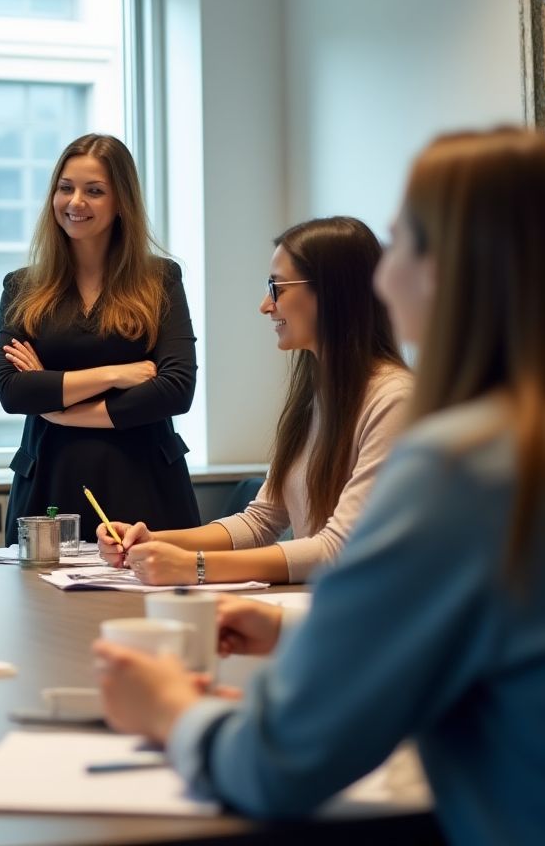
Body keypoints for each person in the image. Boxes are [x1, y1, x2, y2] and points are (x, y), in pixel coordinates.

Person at [94, 127, 545, 845]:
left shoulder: (462, 465)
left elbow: (276, 762)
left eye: (401, 243)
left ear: (451, 270)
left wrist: (167, 712)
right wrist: (286, 622)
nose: (384, 274)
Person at [98, 216, 411, 585]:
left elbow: (339, 547)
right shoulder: (316, 397)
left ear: (331, 292)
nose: (266, 305)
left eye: (276, 288)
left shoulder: (395, 400)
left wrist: (194, 566)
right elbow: (261, 520)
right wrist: (153, 541)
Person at [0, 133, 201, 546]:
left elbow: (176, 389)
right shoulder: (22, 287)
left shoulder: (160, 279)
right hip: (49, 481)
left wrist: (58, 406)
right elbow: (14, 391)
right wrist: (116, 373)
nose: (75, 202)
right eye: (65, 188)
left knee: (148, 607)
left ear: (121, 201)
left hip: (146, 483)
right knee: (42, 609)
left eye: (95, 191)